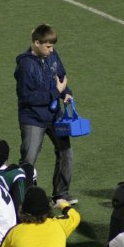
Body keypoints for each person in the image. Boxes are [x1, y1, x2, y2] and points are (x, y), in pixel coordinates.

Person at [15, 24, 76, 204]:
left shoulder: (52, 56)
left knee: (66, 153)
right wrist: (56, 92)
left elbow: (61, 77)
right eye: (48, 46)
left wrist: (66, 92)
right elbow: (26, 97)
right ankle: (23, 198)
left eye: (52, 46)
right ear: (36, 43)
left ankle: (61, 194)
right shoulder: (25, 65)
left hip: (54, 115)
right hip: (33, 118)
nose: (51, 50)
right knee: (28, 160)